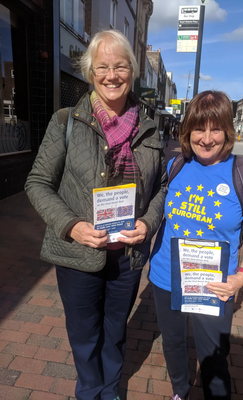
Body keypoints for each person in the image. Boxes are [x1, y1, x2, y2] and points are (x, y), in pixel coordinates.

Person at [25, 29, 167, 400]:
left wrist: (148, 223)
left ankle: (111, 391)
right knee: (85, 333)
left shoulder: (152, 130)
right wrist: (71, 227)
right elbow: (37, 182)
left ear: (132, 71)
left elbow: (163, 188)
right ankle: (89, 391)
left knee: (116, 330)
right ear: (90, 72)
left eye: (120, 66)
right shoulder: (66, 122)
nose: (112, 75)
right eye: (102, 67)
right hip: (78, 253)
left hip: (128, 255)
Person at [149, 90, 243, 400]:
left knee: (214, 356)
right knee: (173, 343)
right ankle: (180, 392)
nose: (206, 138)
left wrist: (241, 276)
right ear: (186, 130)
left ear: (228, 131)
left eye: (215, 128)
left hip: (215, 284)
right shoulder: (174, 166)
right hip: (166, 277)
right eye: (198, 128)